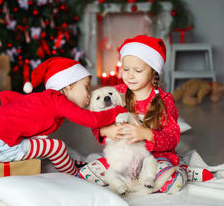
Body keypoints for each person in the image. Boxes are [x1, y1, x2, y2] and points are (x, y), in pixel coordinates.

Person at [78, 35, 214, 193]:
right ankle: (128, 181)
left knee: (171, 182)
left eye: (138, 70)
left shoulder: (164, 99)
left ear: (153, 72)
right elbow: (95, 119)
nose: (130, 75)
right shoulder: (117, 92)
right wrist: (105, 130)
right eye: (126, 69)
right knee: (85, 175)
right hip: (123, 157)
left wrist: (147, 134)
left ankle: (183, 170)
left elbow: (172, 136)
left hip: (156, 156)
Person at [0, 57, 126, 176]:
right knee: (56, 147)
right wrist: (117, 110)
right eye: (86, 87)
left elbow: (6, 96)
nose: (88, 95)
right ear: (68, 85)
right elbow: (91, 120)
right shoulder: (57, 100)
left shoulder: (45, 99)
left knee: (56, 146)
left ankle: (80, 161)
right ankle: (77, 177)